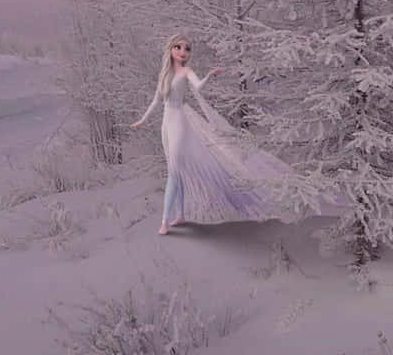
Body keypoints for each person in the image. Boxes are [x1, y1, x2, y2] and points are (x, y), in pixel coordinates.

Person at [131, 33, 345, 236]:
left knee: (174, 171)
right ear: (170, 49)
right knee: (175, 168)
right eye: (178, 47)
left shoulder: (186, 72)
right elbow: (156, 101)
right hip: (166, 123)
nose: (183, 51)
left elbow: (198, 86)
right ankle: (180, 214)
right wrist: (143, 119)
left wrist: (209, 76)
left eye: (187, 48)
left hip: (180, 121)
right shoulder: (165, 74)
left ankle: (164, 220)